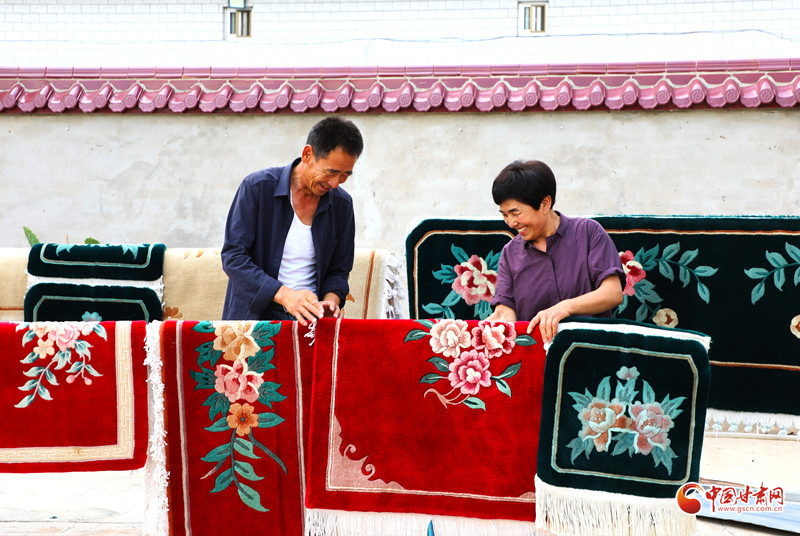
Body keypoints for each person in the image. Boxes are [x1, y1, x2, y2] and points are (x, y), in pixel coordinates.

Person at [221, 117, 363, 325]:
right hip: (253, 320)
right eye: (331, 172)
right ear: (307, 154)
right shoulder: (257, 188)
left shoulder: (342, 204)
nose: (335, 184)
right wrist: (285, 296)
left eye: (344, 176)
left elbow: (339, 269)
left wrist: (330, 302)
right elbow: (233, 257)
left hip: (311, 320)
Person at [486, 160, 624, 343]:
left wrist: (565, 307)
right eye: (504, 215)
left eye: (516, 213)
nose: (511, 223)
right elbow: (505, 313)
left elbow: (613, 293)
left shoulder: (588, 232)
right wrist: (476, 331)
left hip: (590, 349)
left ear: (545, 203)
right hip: (538, 354)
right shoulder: (510, 254)